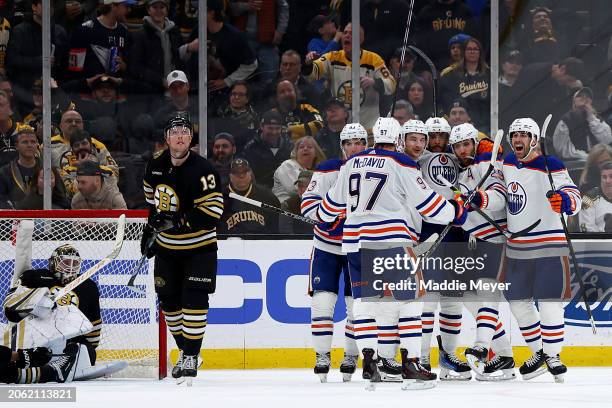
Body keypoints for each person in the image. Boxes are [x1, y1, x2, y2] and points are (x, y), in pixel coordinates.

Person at [318, 117, 467, 390]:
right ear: (399, 141)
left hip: (355, 243)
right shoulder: (402, 163)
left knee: (365, 300)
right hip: (391, 241)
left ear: (374, 138)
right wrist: (456, 211)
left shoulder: (351, 163)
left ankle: (369, 361)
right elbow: (429, 204)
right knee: (410, 301)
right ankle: (411, 364)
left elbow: (327, 209)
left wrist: (325, 217)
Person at [474, 117, 582, 382]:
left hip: (549, 245)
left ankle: (553, 355)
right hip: (517, 247)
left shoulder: (551, 165)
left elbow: (574, 194)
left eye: (523, 135)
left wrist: (565, 201)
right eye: (515, 135)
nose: (518, 139)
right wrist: (483, 199)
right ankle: (538, 353)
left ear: (534, 139)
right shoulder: (508, 163)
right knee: (518, 304)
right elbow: (502, 194)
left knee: (549, 304)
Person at [142, 115, 223, 385]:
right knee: (169, 305)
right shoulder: (155, 165)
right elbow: (152, 205)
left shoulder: (204, 169)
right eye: (174, 131)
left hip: (199, 247)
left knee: (194, 300)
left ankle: (190, 354)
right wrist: (149, 230)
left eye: (185, 132)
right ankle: (186, 350)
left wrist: (180, 220)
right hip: (167, 248)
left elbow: (213, 213)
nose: (179, 135)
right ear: (166, 138)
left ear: (191, 139)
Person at [447, 123, 516, 381]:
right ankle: (505, 357)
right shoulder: (461, 176)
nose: (463, 150)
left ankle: (481, 346)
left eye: (466, 144)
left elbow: (500, 197)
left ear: (475, 144)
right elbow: (464, 215)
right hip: (475, 245)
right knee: (469, 297)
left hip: (497, 242)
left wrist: (482, 198)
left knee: (488, 294)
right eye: (458, 146)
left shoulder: (489, 165)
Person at [301, 122, 367, 382]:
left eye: (359, 142)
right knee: (322, 302)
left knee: (355, 306)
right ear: (342, 146)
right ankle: (322, 355)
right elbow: (308, 204)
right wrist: (326, 215)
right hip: (326, 246)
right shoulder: (328, 169)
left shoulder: (374, 168)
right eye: (349, 143)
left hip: (357, 247)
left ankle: (351, 355)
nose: (354, 148)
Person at [2, 223, 111, 383]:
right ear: (53, 263)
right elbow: (12, 310)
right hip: (38, 340)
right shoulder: (36, 277)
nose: (71, 268)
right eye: (66, 263)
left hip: (68, 342)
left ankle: (62, 365)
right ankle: (54, 370)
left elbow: (93, 324)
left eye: (75, 264)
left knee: (86, 352)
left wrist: (90, 350)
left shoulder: (88, 287)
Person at [303, 23, 396, 131]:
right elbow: (312, 75)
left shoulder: (373, 59)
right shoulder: (332, 57)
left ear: (361, 39)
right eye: (345, 33)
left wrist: (375, 82)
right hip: (341, 130)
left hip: (368, 130)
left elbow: (392, 84)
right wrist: (309, 64)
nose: (347, 36)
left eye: (352, 34)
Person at [67, 0, 134, 80]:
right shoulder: (84, 31)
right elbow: (74, 70)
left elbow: (131, 69)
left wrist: (124, 67)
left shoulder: (124, 32)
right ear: (113, 6)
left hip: (115, 88)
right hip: (88, 89)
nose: (129, 10)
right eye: (126, 6)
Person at [128, 0, 184, 94]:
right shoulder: (139, 35)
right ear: (148, 10)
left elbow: (180, 61)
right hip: (151, 93)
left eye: (162, 7)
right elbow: (135, 68)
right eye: (154, 7)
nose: (158, 10)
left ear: (167, 10)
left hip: (176, 90)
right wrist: (161, 81)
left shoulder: (175, 33)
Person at [220, 158, 280, 235]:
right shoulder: (220, 198)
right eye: (236, 173)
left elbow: (275, 226)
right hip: (230, 243)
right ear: (230, 176)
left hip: (261, 242)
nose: (241, 175)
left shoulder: (267, 196)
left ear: (250, 173)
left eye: (245, 172)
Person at [552, 87, 612, 160]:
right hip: (577, 163)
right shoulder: (566, 120)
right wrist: (587, 157)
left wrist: (591, 118)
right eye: (580, 96)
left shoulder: (597, 119)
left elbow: (607, 139)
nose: (584, 98)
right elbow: (562, 150)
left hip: (599, 160)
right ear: (574, 101)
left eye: (587, 97)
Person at [59, 129, 119, 200]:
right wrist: (83, 168)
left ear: (90, 145)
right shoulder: (66, 165)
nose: (81, 147)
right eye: (76, 145)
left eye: (84, 143)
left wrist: (92, 166)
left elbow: (115, 175)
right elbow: (73, 193)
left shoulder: (99, 150)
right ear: (72, 149)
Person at [242, 110, 293, 188]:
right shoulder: (250, 148)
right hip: (260, 191)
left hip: (286, 189)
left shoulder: (289, 145)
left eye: (277, 128)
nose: (274, 132)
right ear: (262, 127)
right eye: (270, 128)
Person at [273, 135, 325, 203]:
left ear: (316, 153)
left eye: (309, 147)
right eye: (301, 147)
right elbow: (295, 189)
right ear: (296, 152)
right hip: (284, 208)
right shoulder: (288, 165)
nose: (305, 149)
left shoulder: (319, 169)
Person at [579, 161, 612, 232]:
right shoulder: (589, 198)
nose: (607, 181)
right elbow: (586, 229)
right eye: (604, 177)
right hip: (600, 241)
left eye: (611, 176)